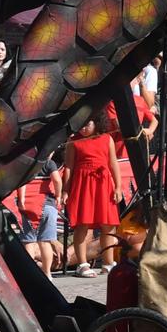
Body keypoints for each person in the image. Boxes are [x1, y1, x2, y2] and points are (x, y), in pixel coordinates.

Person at [63, 114, 126, 278]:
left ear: (97, 122)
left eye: (87, 124)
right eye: (81, 125)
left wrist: (118, 186)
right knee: (82, 225)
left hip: (104, 185)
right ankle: (82, 264)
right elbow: (68, 168)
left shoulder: (107, 139)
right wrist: (65, 190)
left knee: (108, 225)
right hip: (83, 185)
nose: (83, 128)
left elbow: (113, 163)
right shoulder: (73, 142)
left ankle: (108, 263)